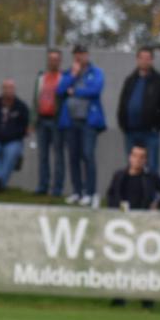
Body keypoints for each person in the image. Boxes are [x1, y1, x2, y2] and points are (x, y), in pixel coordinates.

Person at [57, 44, 106, 207]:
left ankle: (90, 192)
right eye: (76, 54)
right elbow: (60, 90)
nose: (79, 57)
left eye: (82, 54)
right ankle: (77, 192)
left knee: (88, 155)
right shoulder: (69, 72)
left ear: (87, 55)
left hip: (88, 122)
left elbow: (95, 90)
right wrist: (73, 75)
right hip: (71, 121)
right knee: (73, 157)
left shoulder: (96, 72)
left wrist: (75, 91)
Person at [118, 47, 160, 174]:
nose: (144, 61)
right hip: (131, 132)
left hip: (150, 133)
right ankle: (134, 193)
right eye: (141, 58)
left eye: (148, 58)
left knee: (151, 166)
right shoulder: (130, 80)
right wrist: (123, 125)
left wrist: (156, 127)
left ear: (152, 60)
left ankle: (151, 193)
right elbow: (122, 104)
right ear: (137, 59)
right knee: (133, 166)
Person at [31, 49, 65, 197]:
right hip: (42, 120)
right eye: (51, 59)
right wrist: (32, 121)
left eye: (56, 59)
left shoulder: (63, 78)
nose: (53, 62)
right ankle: (42, 186)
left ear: (60, 61)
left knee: (58, 156)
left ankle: (57, 189)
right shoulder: (41, 78)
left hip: (56, 121)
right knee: (42, 156)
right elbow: (35, 100)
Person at [105, 145, 160, 210]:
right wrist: (116, 208)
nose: (138, 160)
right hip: (122, 216)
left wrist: (157, 204)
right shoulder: (119, 176)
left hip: (143, 215)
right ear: (130, 157)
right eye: (135, 156)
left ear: (145, 160)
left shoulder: (151, 176)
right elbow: (110, 195)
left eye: (141, 157)